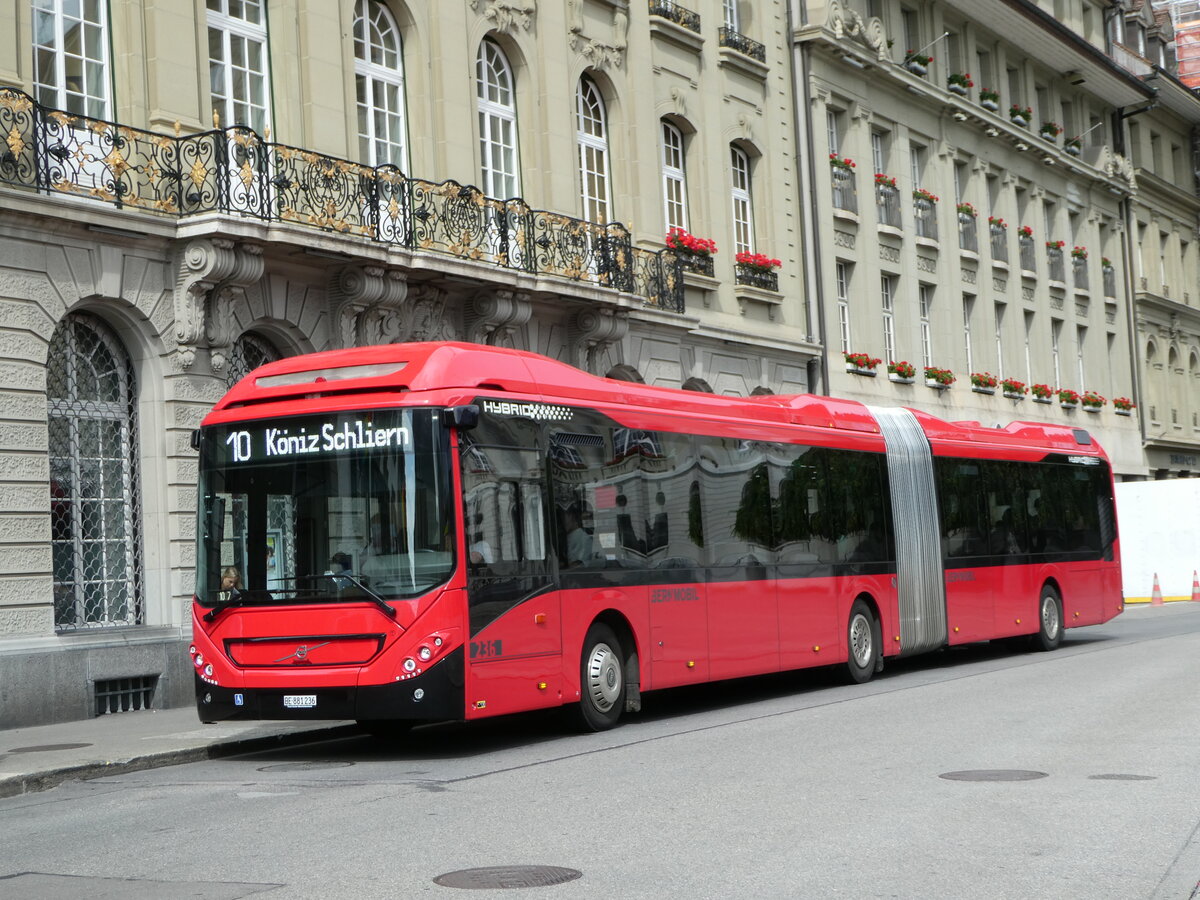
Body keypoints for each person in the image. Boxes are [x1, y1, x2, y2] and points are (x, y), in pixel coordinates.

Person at [563, 502, 596, 568]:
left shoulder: (582, 538)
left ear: (573, 517)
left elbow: (575, 565)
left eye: (565, 516)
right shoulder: (569, 536)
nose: (563, 520)